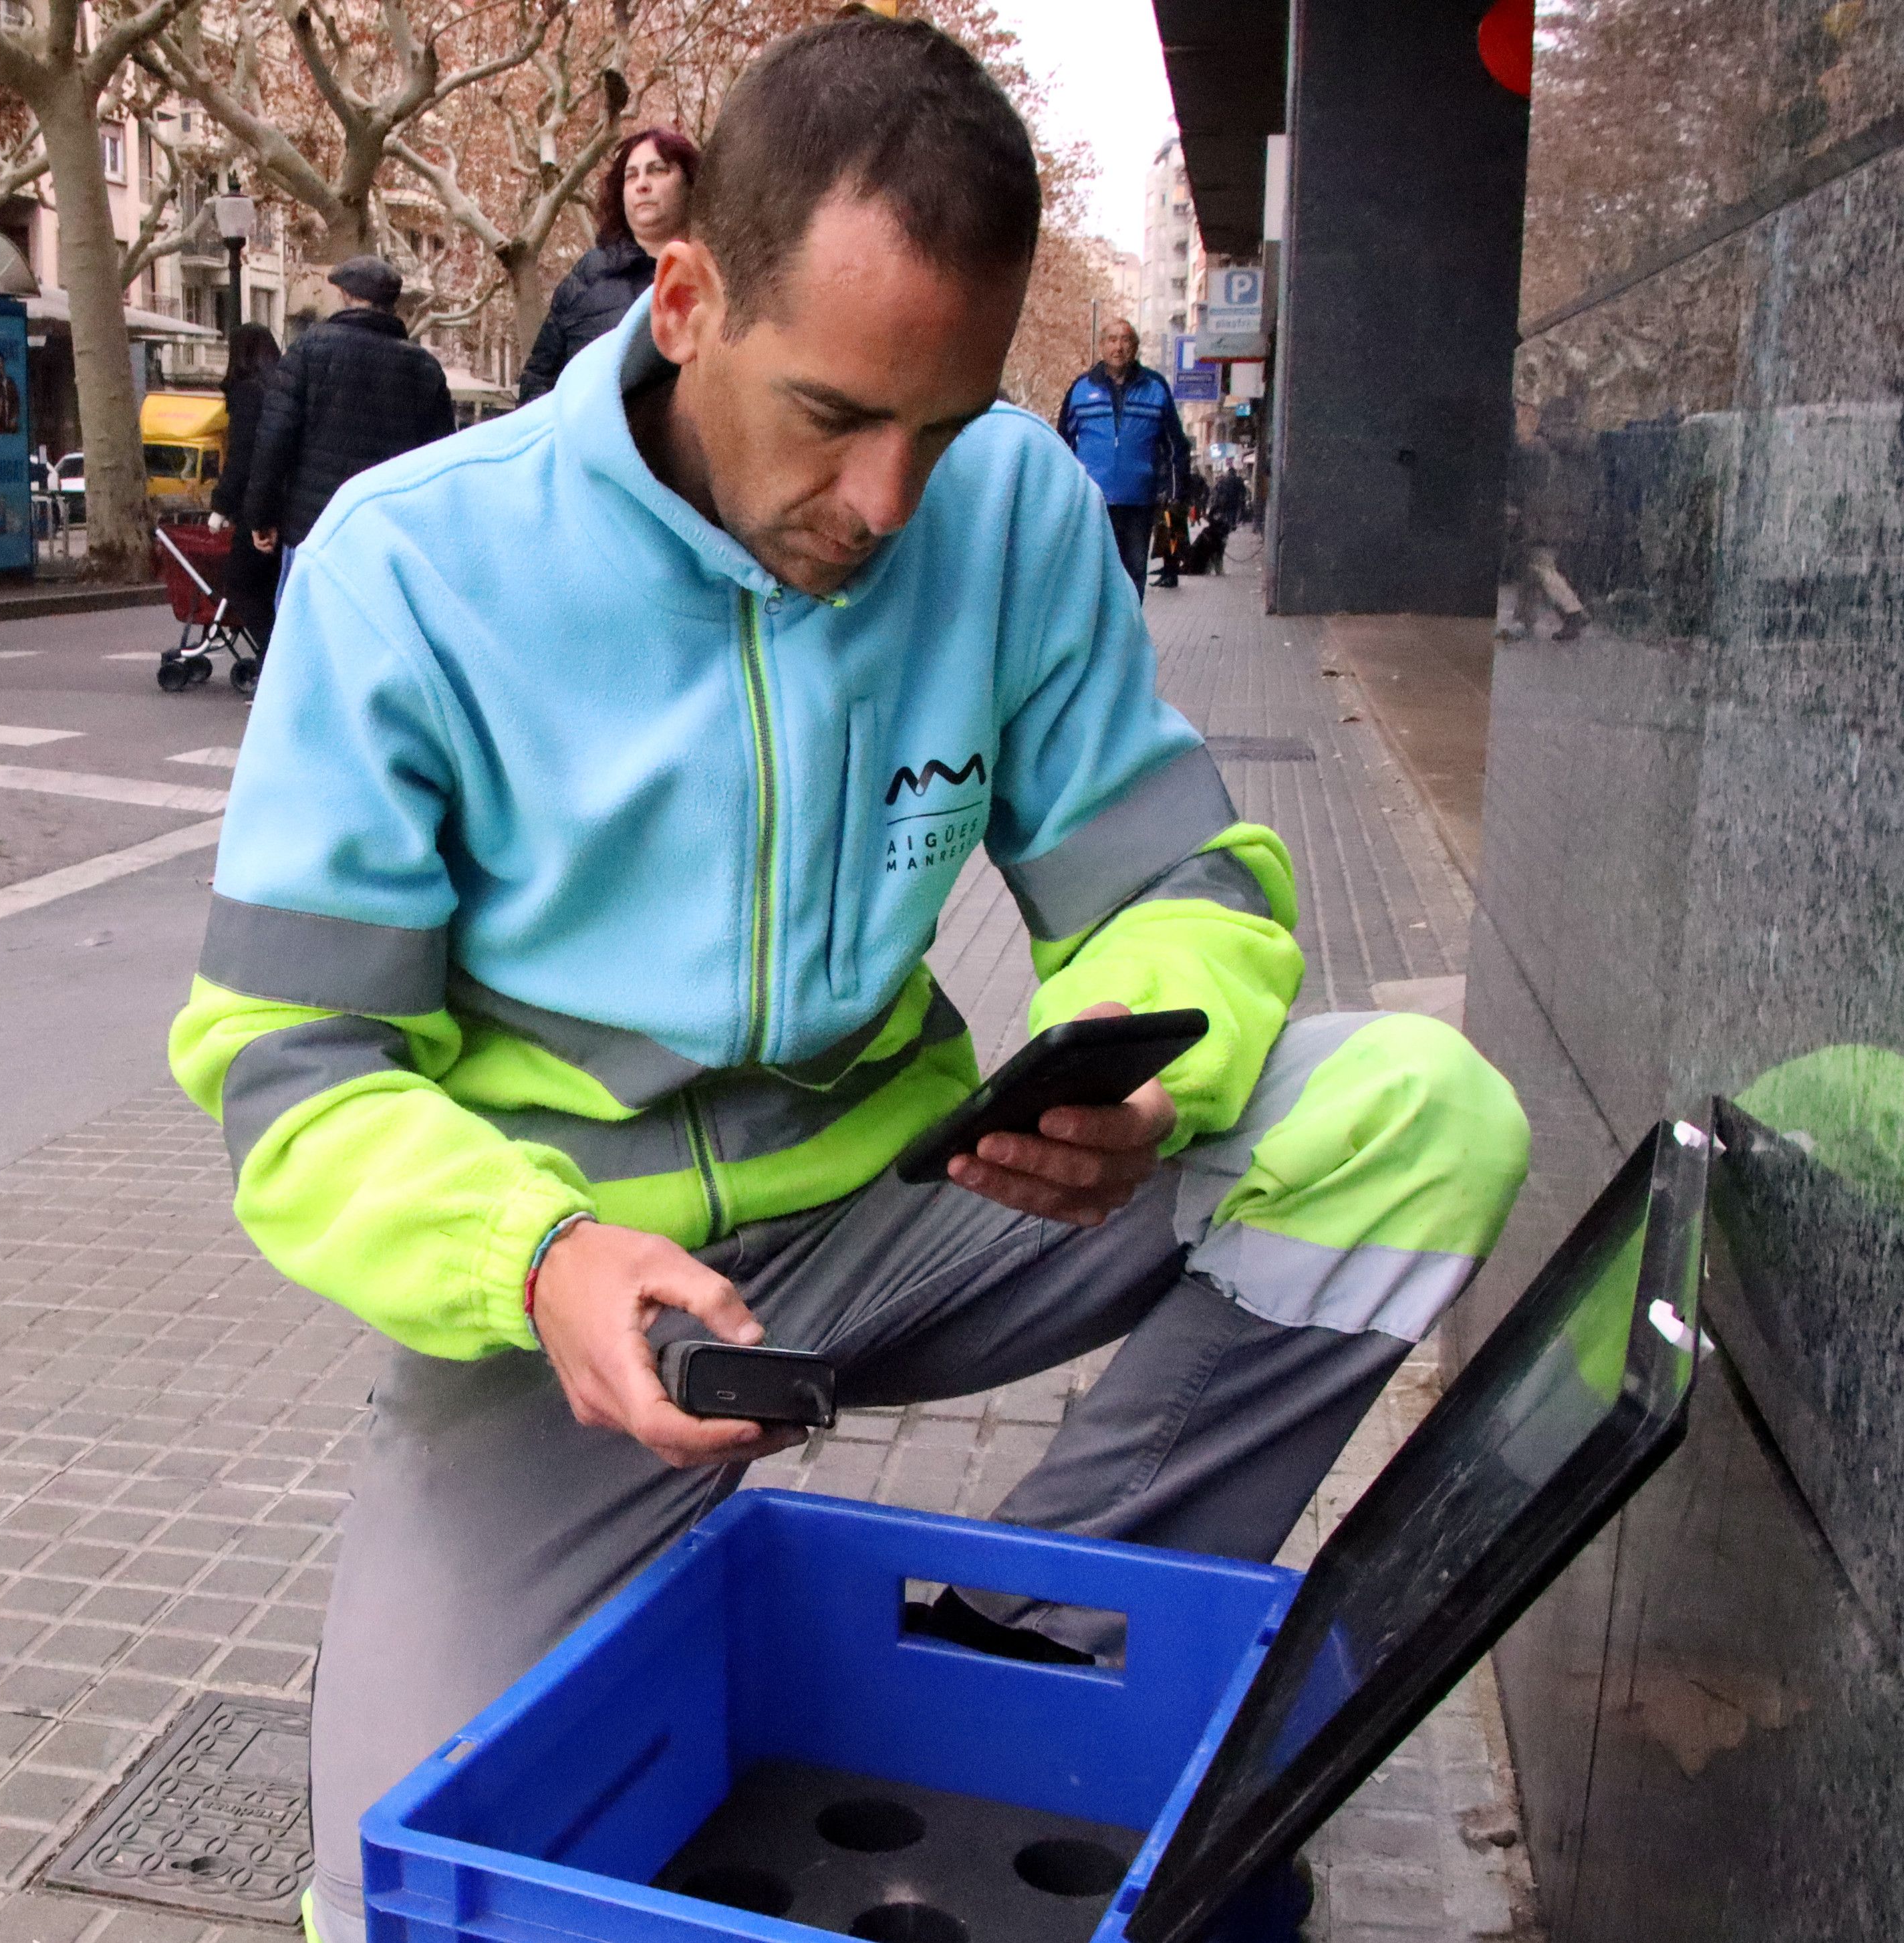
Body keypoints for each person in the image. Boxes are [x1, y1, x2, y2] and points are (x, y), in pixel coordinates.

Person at [164, 19, 1531, 1942]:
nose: (891, 503)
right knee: (395, 1880)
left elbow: (1178, 885)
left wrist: (1152, 1080)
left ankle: (1011, 1646)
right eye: (831, 415)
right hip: (583, 1298)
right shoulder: (412, 571)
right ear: (689, 296)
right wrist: (531, 1259)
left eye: (948, 425)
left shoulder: (1018, 515)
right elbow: (295, 1071)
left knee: (1414, 1115)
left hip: (916, 1207)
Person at [241, 255, 454, 572]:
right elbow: (440, 461)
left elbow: (274, 439)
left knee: (306, 620)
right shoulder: (424, 369)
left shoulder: (308, 351)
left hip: (315, 531)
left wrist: (261, 516)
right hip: (388, 535)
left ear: (347, 297)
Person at [515, 126, 700, 404]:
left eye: (657, 170)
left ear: (691, 184)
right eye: (631, 176)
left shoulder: (720, 276)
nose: (642, 185)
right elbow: (539, 382)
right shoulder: (588, 277)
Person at [1056, 319, 1191, 596]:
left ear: (1136, 348)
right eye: (1112, 340)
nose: (1119, 347)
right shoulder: (1081, 389)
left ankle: (1128, 637)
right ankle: (1095, 636)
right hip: (1092, 502)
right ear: (1102, 346)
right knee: (1091, 575)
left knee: (1132, 575)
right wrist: (1064, 494)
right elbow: (1061, 446)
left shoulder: (1155, 388)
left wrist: (1175, 493)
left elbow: (1176, 446)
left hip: (1139, 503)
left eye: (1126, 340)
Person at [208, 321, 284, 654]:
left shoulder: (247, 393)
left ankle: (273, 662)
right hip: (289, 506)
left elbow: (242, 456)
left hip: (257, 505)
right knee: (270, 590)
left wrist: (221, 506)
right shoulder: (282, 390)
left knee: (241, 585)